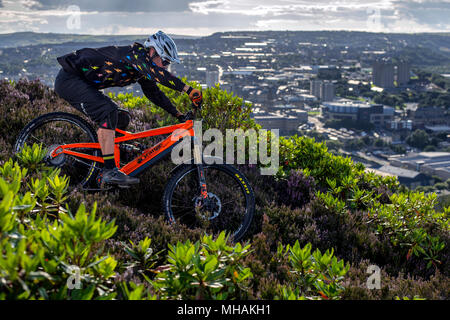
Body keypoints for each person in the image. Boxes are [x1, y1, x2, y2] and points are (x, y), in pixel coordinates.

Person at [54, 31, 202, 186]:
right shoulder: (136, 55)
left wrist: (178, 115)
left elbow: (154, 94)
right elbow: (158, 75)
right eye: (164, 61)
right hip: (69, 79)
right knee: (108, 111)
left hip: (81, 82)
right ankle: (109, 170)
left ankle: (105, 162)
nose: (165, 67)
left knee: (122, 117)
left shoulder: (143, 68)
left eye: (167, 64)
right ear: (152, 51)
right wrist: (188, 90)